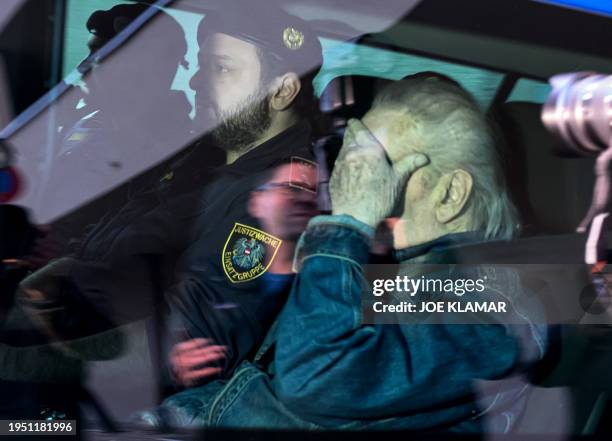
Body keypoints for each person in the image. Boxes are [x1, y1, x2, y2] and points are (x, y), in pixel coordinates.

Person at [142, 74, 549, 431]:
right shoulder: (395, 277)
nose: (355, 177)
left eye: (379, 163)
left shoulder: (499, 308)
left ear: (451, 194)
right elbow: (258, 387)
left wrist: (349, 221)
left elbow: (312, 380)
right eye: (355, 158)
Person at [14, 0, 323, 403]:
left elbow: (194, 348)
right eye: (202, 65)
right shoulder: (208, 159)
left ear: (282, 90)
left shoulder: (279, 198)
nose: (197, 81)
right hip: (76, 321)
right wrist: (68, 269)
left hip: (116, 397)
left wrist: (18, 363)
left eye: (222, 68)